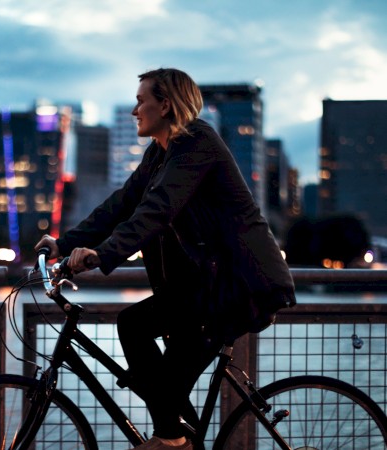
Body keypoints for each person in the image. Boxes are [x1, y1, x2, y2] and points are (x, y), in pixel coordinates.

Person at [35, 68, 295, 450]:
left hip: (238, 285)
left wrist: (102, 254)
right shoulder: (160, 153)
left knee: (152, 357)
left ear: (167, 105)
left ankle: (172, 440)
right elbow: (121, 204)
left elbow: (157, 210)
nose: (135, 110)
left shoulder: (197, 142)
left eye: (142, 101)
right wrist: (64, 243)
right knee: (146, 353)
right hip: (203, 286)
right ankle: (175, 435)